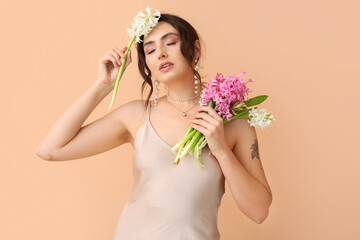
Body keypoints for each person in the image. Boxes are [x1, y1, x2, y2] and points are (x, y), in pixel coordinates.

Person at [36, 13, 272, 240]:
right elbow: (50, 149)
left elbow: (259, 211)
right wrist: (103, 85)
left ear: (195, 50)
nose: (160, 53)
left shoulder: (231, 121)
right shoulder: (136, 115)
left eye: (169, 43)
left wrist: (221, 150)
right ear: (147, 63)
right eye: (149, 49)